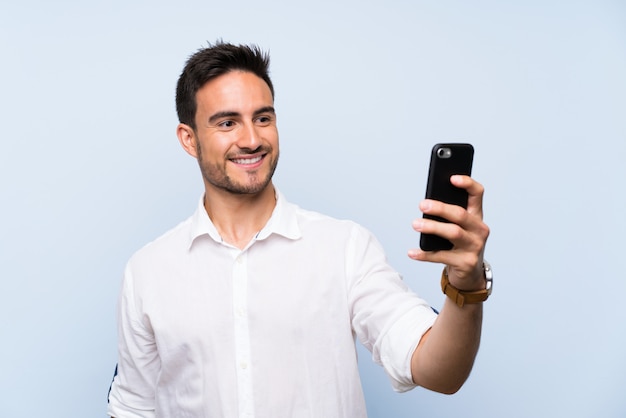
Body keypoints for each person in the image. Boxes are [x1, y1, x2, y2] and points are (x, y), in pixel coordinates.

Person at [107, 42, 492, 418]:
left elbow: (439, 372)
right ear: (189, 139)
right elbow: (133, 407)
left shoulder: (345, 248)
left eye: (263, 118)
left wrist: (466, 285)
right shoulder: (148, 272)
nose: (252, 139)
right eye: (227, 122)